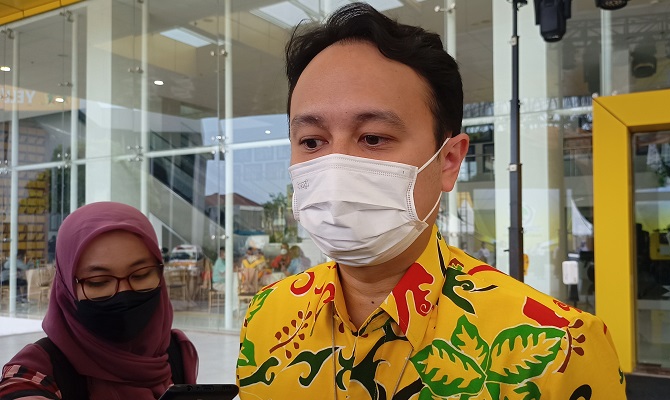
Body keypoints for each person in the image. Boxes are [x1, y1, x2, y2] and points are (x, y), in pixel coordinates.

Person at [236, 3, 625, 399]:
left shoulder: (560, 348)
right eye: (311, 142)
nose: (335, 169)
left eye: (373, 138)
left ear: (449, 160)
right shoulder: (268, 317)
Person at [0, 201, 199, 398]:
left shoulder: (176, 352)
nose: (123, 293)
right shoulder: (41, 369)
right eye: (99, 282)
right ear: (67, 287)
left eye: (141, 275)